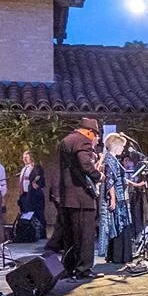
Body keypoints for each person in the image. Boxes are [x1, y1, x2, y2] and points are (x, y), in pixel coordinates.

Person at [50, 116, 101, 279]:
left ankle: (69, 267)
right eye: (95, 135)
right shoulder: (83, 141)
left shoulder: (66, 140)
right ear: (89, 131)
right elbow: (85, 164)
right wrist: (98, 175)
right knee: (85, 235)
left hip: (67, 197)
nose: (94, 139)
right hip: (81, 197)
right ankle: (83, 269)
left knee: (70, 236)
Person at [97, 132, 135, 265]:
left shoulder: (113, 159)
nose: (123, 149)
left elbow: (120, 178)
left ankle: (117, 256)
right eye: (121, 146)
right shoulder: (109, 159)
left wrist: (136, 184)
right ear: (115, 146)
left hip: (120, 196)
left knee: (120, 226)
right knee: (119, 226)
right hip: (117, 198)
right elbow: (110, 180)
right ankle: (119, 256)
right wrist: (113, 198)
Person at [16, 149, 47, 240]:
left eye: (27, 157)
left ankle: (41, 234)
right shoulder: (24, 169)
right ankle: (30, 234)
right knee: (26, 214)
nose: (24, 159)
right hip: (24, 194)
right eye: (23, 157)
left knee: (38, 214)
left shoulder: (36, 167)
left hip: (34, 195)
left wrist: (34, 181)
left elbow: (38, 176)